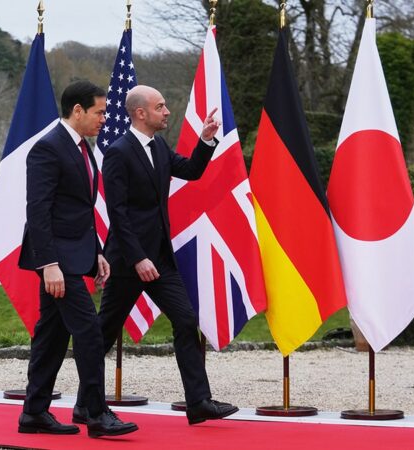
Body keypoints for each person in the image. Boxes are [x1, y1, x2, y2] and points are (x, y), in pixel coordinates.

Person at [91, 84, 239, 425]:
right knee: (103, 335)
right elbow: (118, 212)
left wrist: (206, 140)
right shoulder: (118, 152)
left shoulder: (158, 146)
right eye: (160, 106)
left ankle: (198, 403)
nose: (167, 111)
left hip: (160, 259)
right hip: (129, 262)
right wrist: (137, 257)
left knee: (186, 321)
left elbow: (192, 171)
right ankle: (87, 404)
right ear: (140, 113)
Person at [17, 80, 138, 438]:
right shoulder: (48, 148)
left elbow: (79, 210)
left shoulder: (83, 148)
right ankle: (96, 414)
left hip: (75, 254)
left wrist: (97, 252)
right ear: (78, 110)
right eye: (100, 112)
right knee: (89, 333)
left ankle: (34, 413)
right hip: (57, 262)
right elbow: (38, 211)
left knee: (52, 336)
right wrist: (48, 264)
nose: (105, 118)